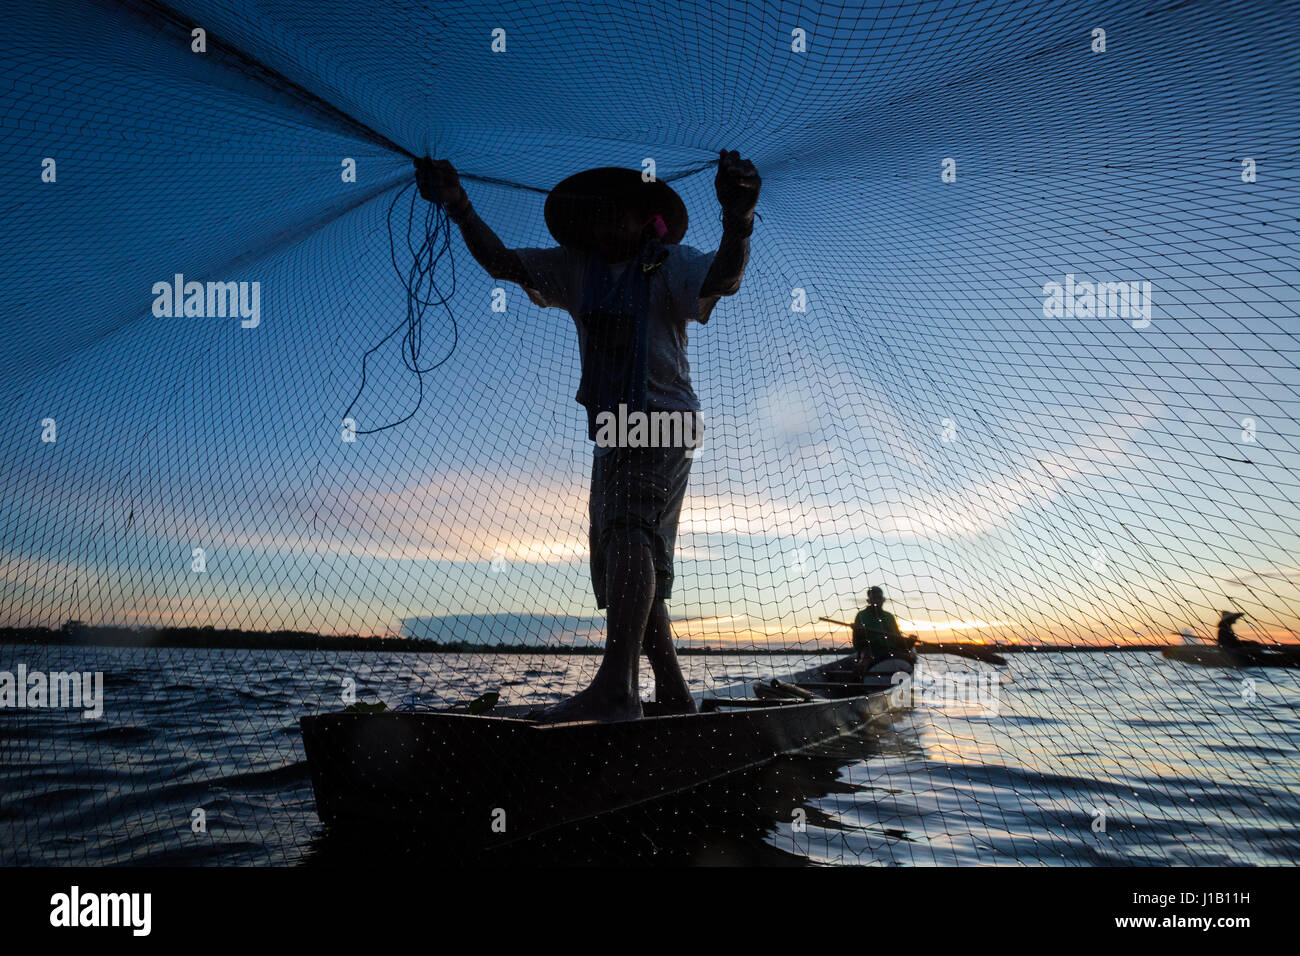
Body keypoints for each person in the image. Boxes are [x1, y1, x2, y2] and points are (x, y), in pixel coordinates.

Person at [415, 151, 759, 721]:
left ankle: (617, 688)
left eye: (619, 212)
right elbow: (503, 263)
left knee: (628, 532)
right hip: (614, 430)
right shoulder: (576, 269)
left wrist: (738, 218)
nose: (607, 222)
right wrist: (459, 206)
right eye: (598, 214)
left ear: (645, 219)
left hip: (663, 417)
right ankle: (672, 692)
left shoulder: (668, 264)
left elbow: (724, 277)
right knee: (626, 549)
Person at [852, 586, 912, 671]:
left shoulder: (889, 616)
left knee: (909, 657)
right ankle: (861, 669)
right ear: (868, 600)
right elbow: (858, 643)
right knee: (866, 656)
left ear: (883, 599)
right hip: (871, 651)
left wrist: (909, 641)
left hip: (891, 651)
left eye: (879, 597)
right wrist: (858, 632)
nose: (876, 600)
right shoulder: (861, 615)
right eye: (874, 598)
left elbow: (898, 639)